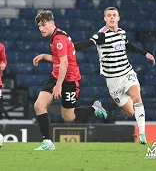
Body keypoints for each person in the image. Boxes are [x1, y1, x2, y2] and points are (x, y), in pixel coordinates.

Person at [74, 7, 156, 145]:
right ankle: (98, 107)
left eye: (114, 15)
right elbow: (87, 43)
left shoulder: (122, 32)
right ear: (105, 19)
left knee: (137, 97)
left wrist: (145, 54)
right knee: (130, 112)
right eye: (109, 15)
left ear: (118, 18)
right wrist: (69, 46)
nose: (112, 17)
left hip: (127, 73)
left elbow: (127, 44)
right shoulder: (101, 35)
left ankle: (142, 134)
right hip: (113, 80)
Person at [32, 10, 107, 150]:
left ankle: (94, 108)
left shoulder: (58, 39)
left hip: (70, 80)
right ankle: (47, 142)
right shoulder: (56, 36)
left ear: (52, 23)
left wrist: (59, 85)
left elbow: (64, 63)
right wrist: (44, 56)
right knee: (39, 105)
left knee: (68, 117)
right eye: (39, 26)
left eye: (43, 25)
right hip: (56, 75)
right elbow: (60, 59)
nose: (41, 28)